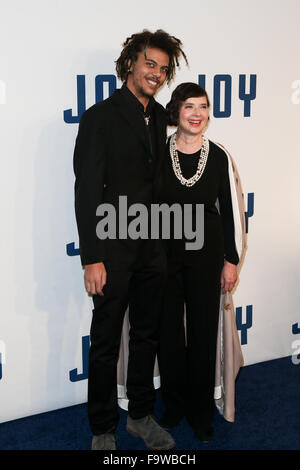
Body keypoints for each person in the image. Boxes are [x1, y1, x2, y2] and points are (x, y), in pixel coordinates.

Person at [73, 30, 187, 451]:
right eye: (149, 64)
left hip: (153, 247)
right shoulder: (100, 117)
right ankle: (103, 428)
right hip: (113, 248)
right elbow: (87, 190)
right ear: (131, 65)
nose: (156, 73)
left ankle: (140, 414)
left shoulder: (160, 118)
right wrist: (92, 257)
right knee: (105, 340)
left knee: (146, 336)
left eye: (162, 67)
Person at [157, 82, 241, 443]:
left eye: (203, 107)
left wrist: (230, 260)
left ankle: (201, 412)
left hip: (208, 257)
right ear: (176, 111)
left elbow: (228, 214)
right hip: (163, 257)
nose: (196, 114)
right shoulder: (158, 152)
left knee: (204, 335)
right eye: (189, 106)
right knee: (170, 336)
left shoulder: (219, 155)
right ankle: (174, 406)